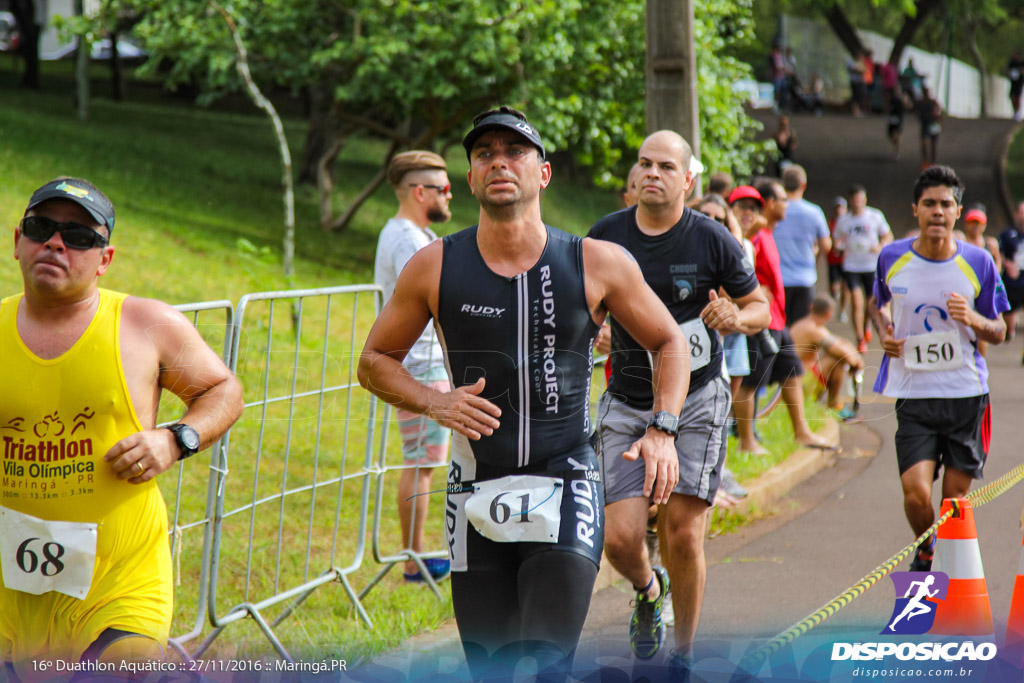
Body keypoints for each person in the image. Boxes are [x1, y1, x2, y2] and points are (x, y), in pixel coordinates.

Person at [357, 107, 689, 680]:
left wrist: (662, 428)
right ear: (469, 179)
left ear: (544, 173)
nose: (499, 162)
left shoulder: (595, 261)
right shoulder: (434, 265)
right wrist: (435, 402)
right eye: (485, 154)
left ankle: (642, 596)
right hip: (475, 485)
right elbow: (372, 361)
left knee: (541, 663)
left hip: (565, 480)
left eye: (515, 152)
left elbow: (669, 341)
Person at [0, 178, 244, 676]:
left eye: (79, 236)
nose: (56, 242)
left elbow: (223, 391)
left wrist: (174, 439)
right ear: (17, 240)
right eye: (41, 227)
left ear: (105, 258)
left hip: (119, 583)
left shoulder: (144, 324)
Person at [588, 131, 768, 674]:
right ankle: (648, 591)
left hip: (697, 399)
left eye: (666, 166)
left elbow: (758, 305)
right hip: (628, 398)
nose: (652, 173)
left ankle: (682, 657)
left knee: (684, 532)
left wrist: (737, 318)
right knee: (619, 538)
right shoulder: (606, 237)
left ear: (687, 180)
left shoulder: (712, 239)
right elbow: (585, 307)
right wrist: (595, 330)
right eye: (644, 163)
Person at [869, 165, 1008, 572]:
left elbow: (1000, 331)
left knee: (953, 503)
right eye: (929, 203)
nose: (937, 211)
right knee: (915, 494)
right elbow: (877, 305)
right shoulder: (892, 258)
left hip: (965, 395)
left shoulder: (978, 262)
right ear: (915, 209)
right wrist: (884, 331)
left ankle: (949, 575)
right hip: (914, 392)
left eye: (946, 204)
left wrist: (974, 320)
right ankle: (926, 547)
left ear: (957, 211)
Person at [374, 150, 454, 583]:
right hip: (420, 365)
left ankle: (415, 556)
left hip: (422, 363)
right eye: (443, 189)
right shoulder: (407, 239)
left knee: (422, 461)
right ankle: (413, 560)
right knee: (422, 463)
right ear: (419, 192)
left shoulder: (409, 233)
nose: (451, 195)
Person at [730, 180, 833, 456]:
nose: (788, 204)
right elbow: (738, 265)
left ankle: (801, 431)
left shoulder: (767, 233)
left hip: (777, 319)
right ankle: (745, 441)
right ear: (773, 204)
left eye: (754, 207)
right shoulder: (750, 236)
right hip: (761, 320)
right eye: (783, 200)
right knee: (749, 383)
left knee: (793, 371)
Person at [833, 184, 893, 352]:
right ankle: (859, 337)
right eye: (854, 199)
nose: (858, 202)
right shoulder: (844, 221)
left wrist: (881, 245)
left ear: (865, 199)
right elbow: (836, 240)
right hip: (851, 265)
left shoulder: (875, 216)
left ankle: (866, 326)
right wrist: (839, 246)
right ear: (850, 201)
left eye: (860, 199)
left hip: (870, 265)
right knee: (856, 300)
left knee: (869, 303)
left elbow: (888, 235)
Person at [789, 295, 865, 421]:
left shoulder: (806, 324)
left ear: (811, 308)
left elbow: (841, 342)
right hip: (798, 385)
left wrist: (854, 355)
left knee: (837, 355)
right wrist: (857, 362)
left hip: (794, 381)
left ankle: (832, 405)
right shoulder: (814, 330)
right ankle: (834, 405)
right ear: (829, 315)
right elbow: (843, 354)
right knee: (838, 359)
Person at [773, 164, 831, 324]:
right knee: (800, 332)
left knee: (780, 328)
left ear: (783, 185)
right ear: (803, 185)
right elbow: (826, 246)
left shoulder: (775, 209)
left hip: (779, 280)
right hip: (805, 279)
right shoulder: (814, 212)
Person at [999, 201, 1024, 353]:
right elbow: (999, 253)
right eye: (1021, 212)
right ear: (1016, 214)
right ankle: (1009, 331)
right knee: (1008, 311)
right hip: (1012, 281)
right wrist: (1007, 264)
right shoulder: (1007, 234)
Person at [826, 197, 850, 323]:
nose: (839, 210)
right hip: (833, 260)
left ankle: (842, 311)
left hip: (846, 261)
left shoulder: (849, 223)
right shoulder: (830, 224)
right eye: (837, 208)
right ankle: (834, 301)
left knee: (846, 287)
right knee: (834, 288)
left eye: (841, 207)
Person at [918, 86, 942, 169]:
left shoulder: (933, 102)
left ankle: (933, 162)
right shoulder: (921, 103)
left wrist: (938, 117)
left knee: (934, 146)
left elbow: (940, 110)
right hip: (925, 125)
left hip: (933, 125)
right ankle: (925, 162)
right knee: (924, 145)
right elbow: (916, 112)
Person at [1008, 48, 1024, 121]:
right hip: (1013, 82)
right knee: (1012, 96)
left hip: (1019, 83)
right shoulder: (1012, 62)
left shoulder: (1021, 63)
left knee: (1017, 97)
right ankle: (1015, 111)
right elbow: (1008, 70)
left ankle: (1017, 112)